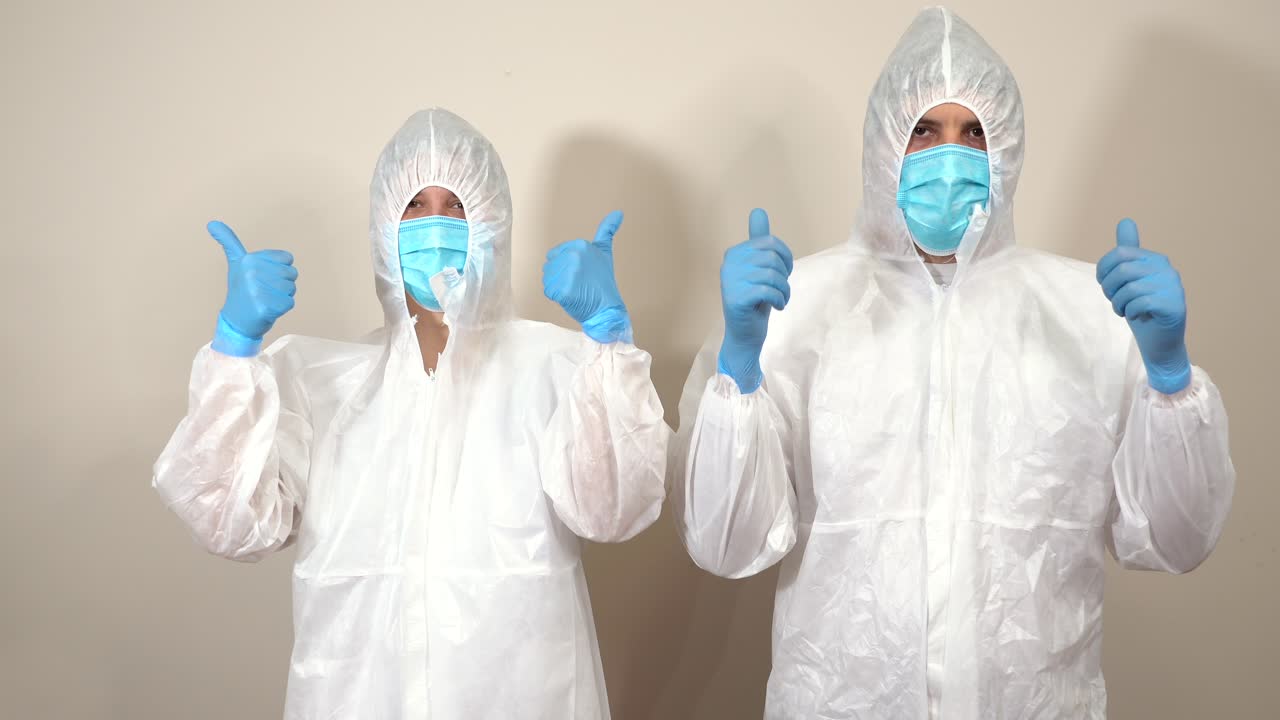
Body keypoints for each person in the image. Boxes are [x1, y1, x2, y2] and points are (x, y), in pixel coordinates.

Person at [670, 7, 1234, 718]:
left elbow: (1179, 541)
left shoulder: (1090, 315)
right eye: (923, 132)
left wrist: (1170, 379)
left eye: (975, 132)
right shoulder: (795, 309)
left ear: (1007, 149)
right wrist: (742, 367)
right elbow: (727, 545)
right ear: (883, 148)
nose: (952, 156)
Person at [153, 108, 668, 718]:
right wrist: (234, 349)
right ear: (382, 230)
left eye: (456, 206)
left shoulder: (554, 368)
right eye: (414, 208)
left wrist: (609, 341)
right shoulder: (324, 385)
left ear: (493, 223)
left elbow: (613, 511)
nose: (436, 225)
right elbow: (230, 526)